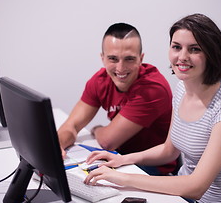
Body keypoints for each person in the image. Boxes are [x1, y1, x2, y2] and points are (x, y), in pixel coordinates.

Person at [83, 14, 221, 202]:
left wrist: (123, 178)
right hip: (179, 196)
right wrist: (123, 159)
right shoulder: (181, 90)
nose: (182, 57)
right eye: (176, 47)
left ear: (212, 54)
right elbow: (169, 150)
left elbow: (196, 187)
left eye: (194, 49)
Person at [57, 22, 177, 176]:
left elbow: (108, 141)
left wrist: (96, 129)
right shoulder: (99, 80)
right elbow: (71, 126)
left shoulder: (153, 89)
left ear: (141, 59)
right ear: (103, 58)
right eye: (113, 59)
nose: (120, 68)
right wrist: (57, 145)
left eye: (129, 59)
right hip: (116, 157)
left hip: (150, 168)